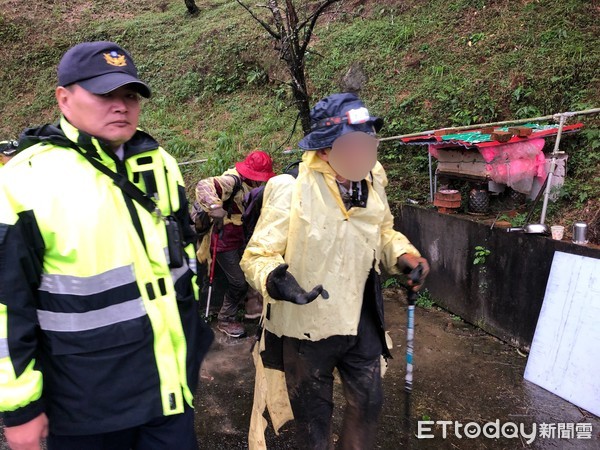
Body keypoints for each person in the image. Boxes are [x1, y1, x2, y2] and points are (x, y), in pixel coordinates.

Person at [0, 41, 210, 450]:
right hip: (84, 409)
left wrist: (194, 341)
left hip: (168, 396)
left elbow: (181, 261)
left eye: (129, 95)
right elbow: (6, 306)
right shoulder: (24, 180)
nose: (121, 106)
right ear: (64, 98)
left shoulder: (157, 162)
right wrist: (20, 408)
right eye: (104, 94)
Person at [241, 92, 430, 449]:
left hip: (360, 319)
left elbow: (383, 231)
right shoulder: (291, 189)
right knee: (313, 424)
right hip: (307, 327)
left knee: (369, 404)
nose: (362, 152)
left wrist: (404, 255)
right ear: (326, 149)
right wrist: (276, 280)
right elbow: (258, 255)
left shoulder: (373, 181)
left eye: (367, 142)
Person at [194, 151, 276, 338]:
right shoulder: (232, 181)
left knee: (249, 272)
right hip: (223, 239)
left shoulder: (250, 185)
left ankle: (251, 308)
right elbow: (203, 185)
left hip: (240, 236)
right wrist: (215, 207)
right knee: (238, 282)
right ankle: (226, 319)